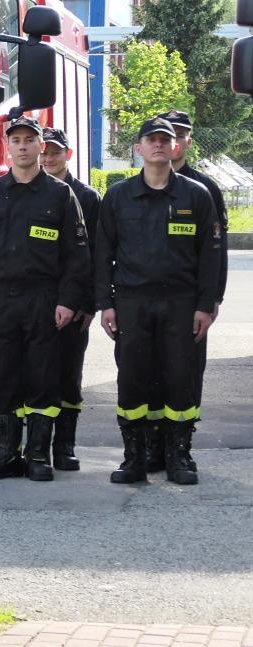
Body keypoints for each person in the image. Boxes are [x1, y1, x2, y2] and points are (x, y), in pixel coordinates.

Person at [96, 117, 221, 486]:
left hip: (181, 303)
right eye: (151, 140)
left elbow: (210, 255)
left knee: (180, 378)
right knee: (133, 380)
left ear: (175, 147)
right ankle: (135, 458)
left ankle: (179, 456)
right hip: (132, 302)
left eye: (165, 140)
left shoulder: (196, 195)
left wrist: (206, 305)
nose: (159, 145)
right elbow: (102, 253)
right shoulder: (118, 196)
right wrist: (105, 303)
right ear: (138, 148)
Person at [0, 118, 91, 482]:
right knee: (3, 377)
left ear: (41, 147)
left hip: (44, 299)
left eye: (29, 140)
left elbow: (77, 256)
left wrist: (68, 300)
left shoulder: (60, 195)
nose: (22, 146)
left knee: (43, 377)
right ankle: (6, 453)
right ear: (8, 147)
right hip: (0, 301)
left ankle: (37, 454)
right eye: (16, 140)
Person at [157, 109, 228, 474]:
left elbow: (216, 250)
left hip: (188, 302)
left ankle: (180, 447)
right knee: (146, 374)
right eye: (168, 134)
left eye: (181, 134)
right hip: (145, 303)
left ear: (187, 141)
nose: (174, 141)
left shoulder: (204, 189)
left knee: (185, 374)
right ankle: (151, 447)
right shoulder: (136, 188)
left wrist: (212, 299)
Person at [39, 127, 99, 470]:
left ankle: (64, 447)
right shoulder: (29, 192)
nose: (49, 158)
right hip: (37, 300)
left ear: (68, 155)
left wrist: (88, 303)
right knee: (36, 376)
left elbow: (96, 255)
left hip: (73, 303)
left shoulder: (87, 198)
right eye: (44, 152)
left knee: (68, 377)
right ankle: (36, 447)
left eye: (55, 152)